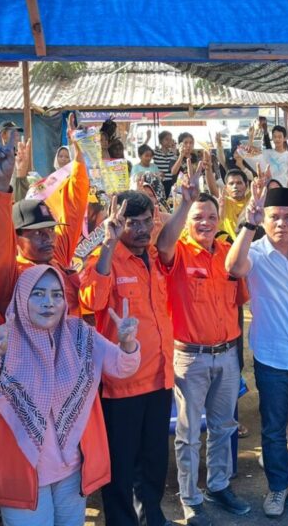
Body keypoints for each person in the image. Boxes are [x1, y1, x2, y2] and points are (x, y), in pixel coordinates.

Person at [0, 265, 141, 525]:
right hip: (21, 472)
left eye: (56, 295)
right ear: (21, 297)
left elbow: (121, 367)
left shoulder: (80, 333)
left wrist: (128, 344)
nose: (48, 302)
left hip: (71, 469)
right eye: (38, 294)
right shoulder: (1, 340)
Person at [156, 162, 251, 525]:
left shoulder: (228, 252)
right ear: (188, 221)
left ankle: (218, 485)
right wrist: (185, 203)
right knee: (188, 433)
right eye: (198, 217)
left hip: (226, 356)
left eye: (211, 216)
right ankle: (190, 498)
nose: (206, 222)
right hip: (189, 358)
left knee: (224, 426)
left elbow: (239, 294)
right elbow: (163, 244)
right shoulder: (178, 251)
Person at [225, 186, 288, 518]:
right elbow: (233, 267)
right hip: (272, 356)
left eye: (287, 216)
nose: (281, 223)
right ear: (264, 219)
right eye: (274, 217)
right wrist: (249, 224)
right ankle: (278, 487)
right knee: (273, 428)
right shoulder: (254, 253)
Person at [79, 190, 175, 526]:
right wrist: (108, 243)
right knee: (121, 468)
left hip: (160, 379)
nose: (142, 229)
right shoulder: (104, 258)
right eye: (132, 223)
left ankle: (152, 519)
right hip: (121, 387)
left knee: (154, 462)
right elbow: (92, 300)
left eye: (147, 221)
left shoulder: (156, 256)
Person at [0, 128, 89, 316]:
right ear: (16, 238)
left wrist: (79, 153)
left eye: (51, 230)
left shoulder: (57, 257)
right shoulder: (10, 275)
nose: (48, 238)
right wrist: (1, 185)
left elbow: (75, 207)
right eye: (38, 233)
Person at [152, 131, 179, 198]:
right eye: (167, 139)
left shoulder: (173, 153)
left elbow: (173, 169)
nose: (169, 141)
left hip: (171, 182)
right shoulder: (155, 152)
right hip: (159, 182)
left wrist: (174, 153)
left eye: (170, 139)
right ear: (161, 141)